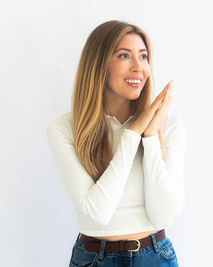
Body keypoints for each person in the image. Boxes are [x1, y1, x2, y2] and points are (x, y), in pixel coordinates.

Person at [46, 20, 186, 266]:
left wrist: (150, 137)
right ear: (99, 65)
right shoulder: (65, 129)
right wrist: (132, 134)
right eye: (124, 56)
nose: (139, 67)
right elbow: (98, 212)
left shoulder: (167, 126)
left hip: (155, 256)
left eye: (143, 57)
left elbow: (164, 215)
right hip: (94, 259)